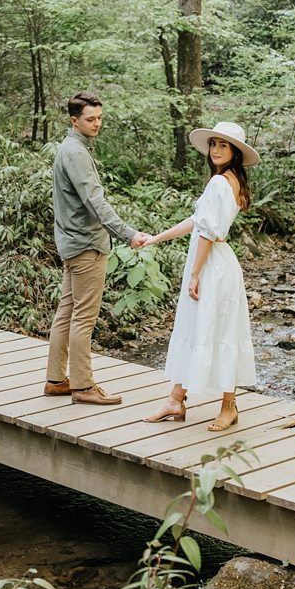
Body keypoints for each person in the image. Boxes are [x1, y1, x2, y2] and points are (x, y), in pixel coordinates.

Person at [143, 122, 259, 431]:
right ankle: (175, 399)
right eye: (214, 144)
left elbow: (208, 231)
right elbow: (196, 221)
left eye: (224, 145)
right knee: (196, 327)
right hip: (212, 263)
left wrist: (195, 274)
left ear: (234, 152)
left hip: (212, 267)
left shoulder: (222, 183)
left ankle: (228, 405)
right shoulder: (223, 180)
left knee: (219, 332)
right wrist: (156, 238)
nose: (217, 149)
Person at [45, 91, 150, 405]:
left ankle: (56, 380)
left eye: (99, 118)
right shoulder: (75, 152)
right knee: (83, 317)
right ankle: (83, 386)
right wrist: (127, 233)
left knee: (66, 312)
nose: (97, 124)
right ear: (73, 120)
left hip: (73, 243)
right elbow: (95, 202)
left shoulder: (72, 148)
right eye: (90, 119)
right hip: (86, 245)